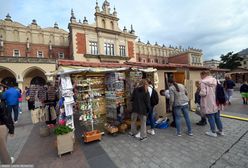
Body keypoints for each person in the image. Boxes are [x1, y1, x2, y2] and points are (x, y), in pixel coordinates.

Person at [200, 71, 224, 137]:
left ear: (204, 74)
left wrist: (200, 92)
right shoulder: (216, 81)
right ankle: (220, 131)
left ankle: (213, 132)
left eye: (201, 75)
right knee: (217, 117)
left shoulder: (203, 82)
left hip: (209, 102)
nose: (201, 77)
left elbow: (203, 93)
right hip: (217, 102)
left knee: (210, 117)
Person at [0, 87, 15, 164]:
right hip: (1, 126)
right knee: (2, 148)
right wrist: (11, 129)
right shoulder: (1, 103)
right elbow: (5, 117)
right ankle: (7, 162)